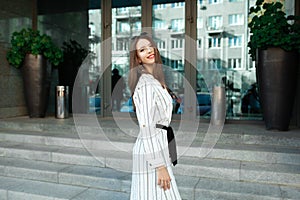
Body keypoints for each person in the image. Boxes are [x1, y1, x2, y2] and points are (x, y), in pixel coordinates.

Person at [129, 32, 182, 200]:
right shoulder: (145, 84)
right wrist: (160, 166)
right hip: (151, 150)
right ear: (137, 58)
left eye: (150, 46)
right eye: (142, 50)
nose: (149, 51)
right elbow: (147, 126)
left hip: (159, 145)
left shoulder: (156, 80)